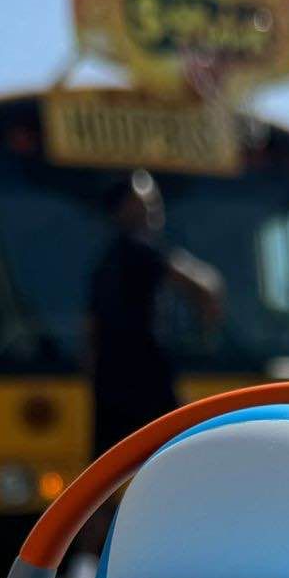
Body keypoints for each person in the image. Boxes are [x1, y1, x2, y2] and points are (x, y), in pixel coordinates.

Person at [87, 170, 223, 457]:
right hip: (145, 379)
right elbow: (206, 286)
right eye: (145, 201)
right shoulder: (142, 251)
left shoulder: (103, 264)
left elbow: (89, 332)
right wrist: (207, 338)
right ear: (123, 208)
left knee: (104, 476)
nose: (154, 208)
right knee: (181, 455)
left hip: (109, 385)